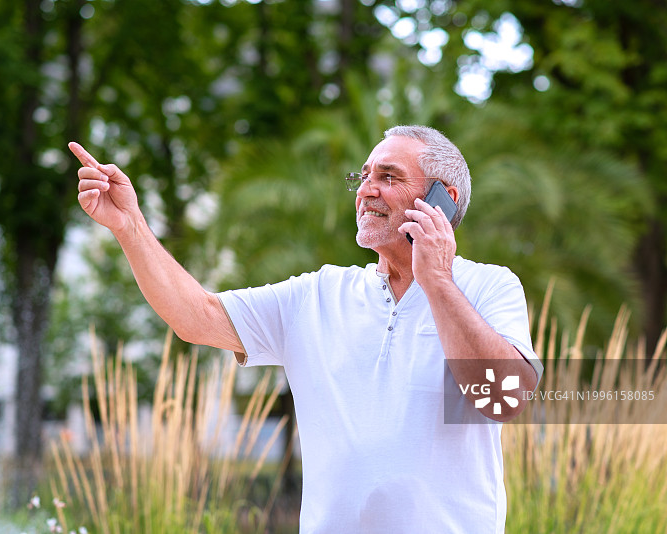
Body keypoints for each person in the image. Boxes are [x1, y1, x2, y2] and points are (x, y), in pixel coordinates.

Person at [68, 124, 543, 533]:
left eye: (389, 177)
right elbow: (195, 317)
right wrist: (129, 225)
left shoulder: (488, 286)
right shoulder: (316, 295)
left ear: (444, 200)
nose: (366, 189)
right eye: (364, 176)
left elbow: (503, 399)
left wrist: (436, 278)